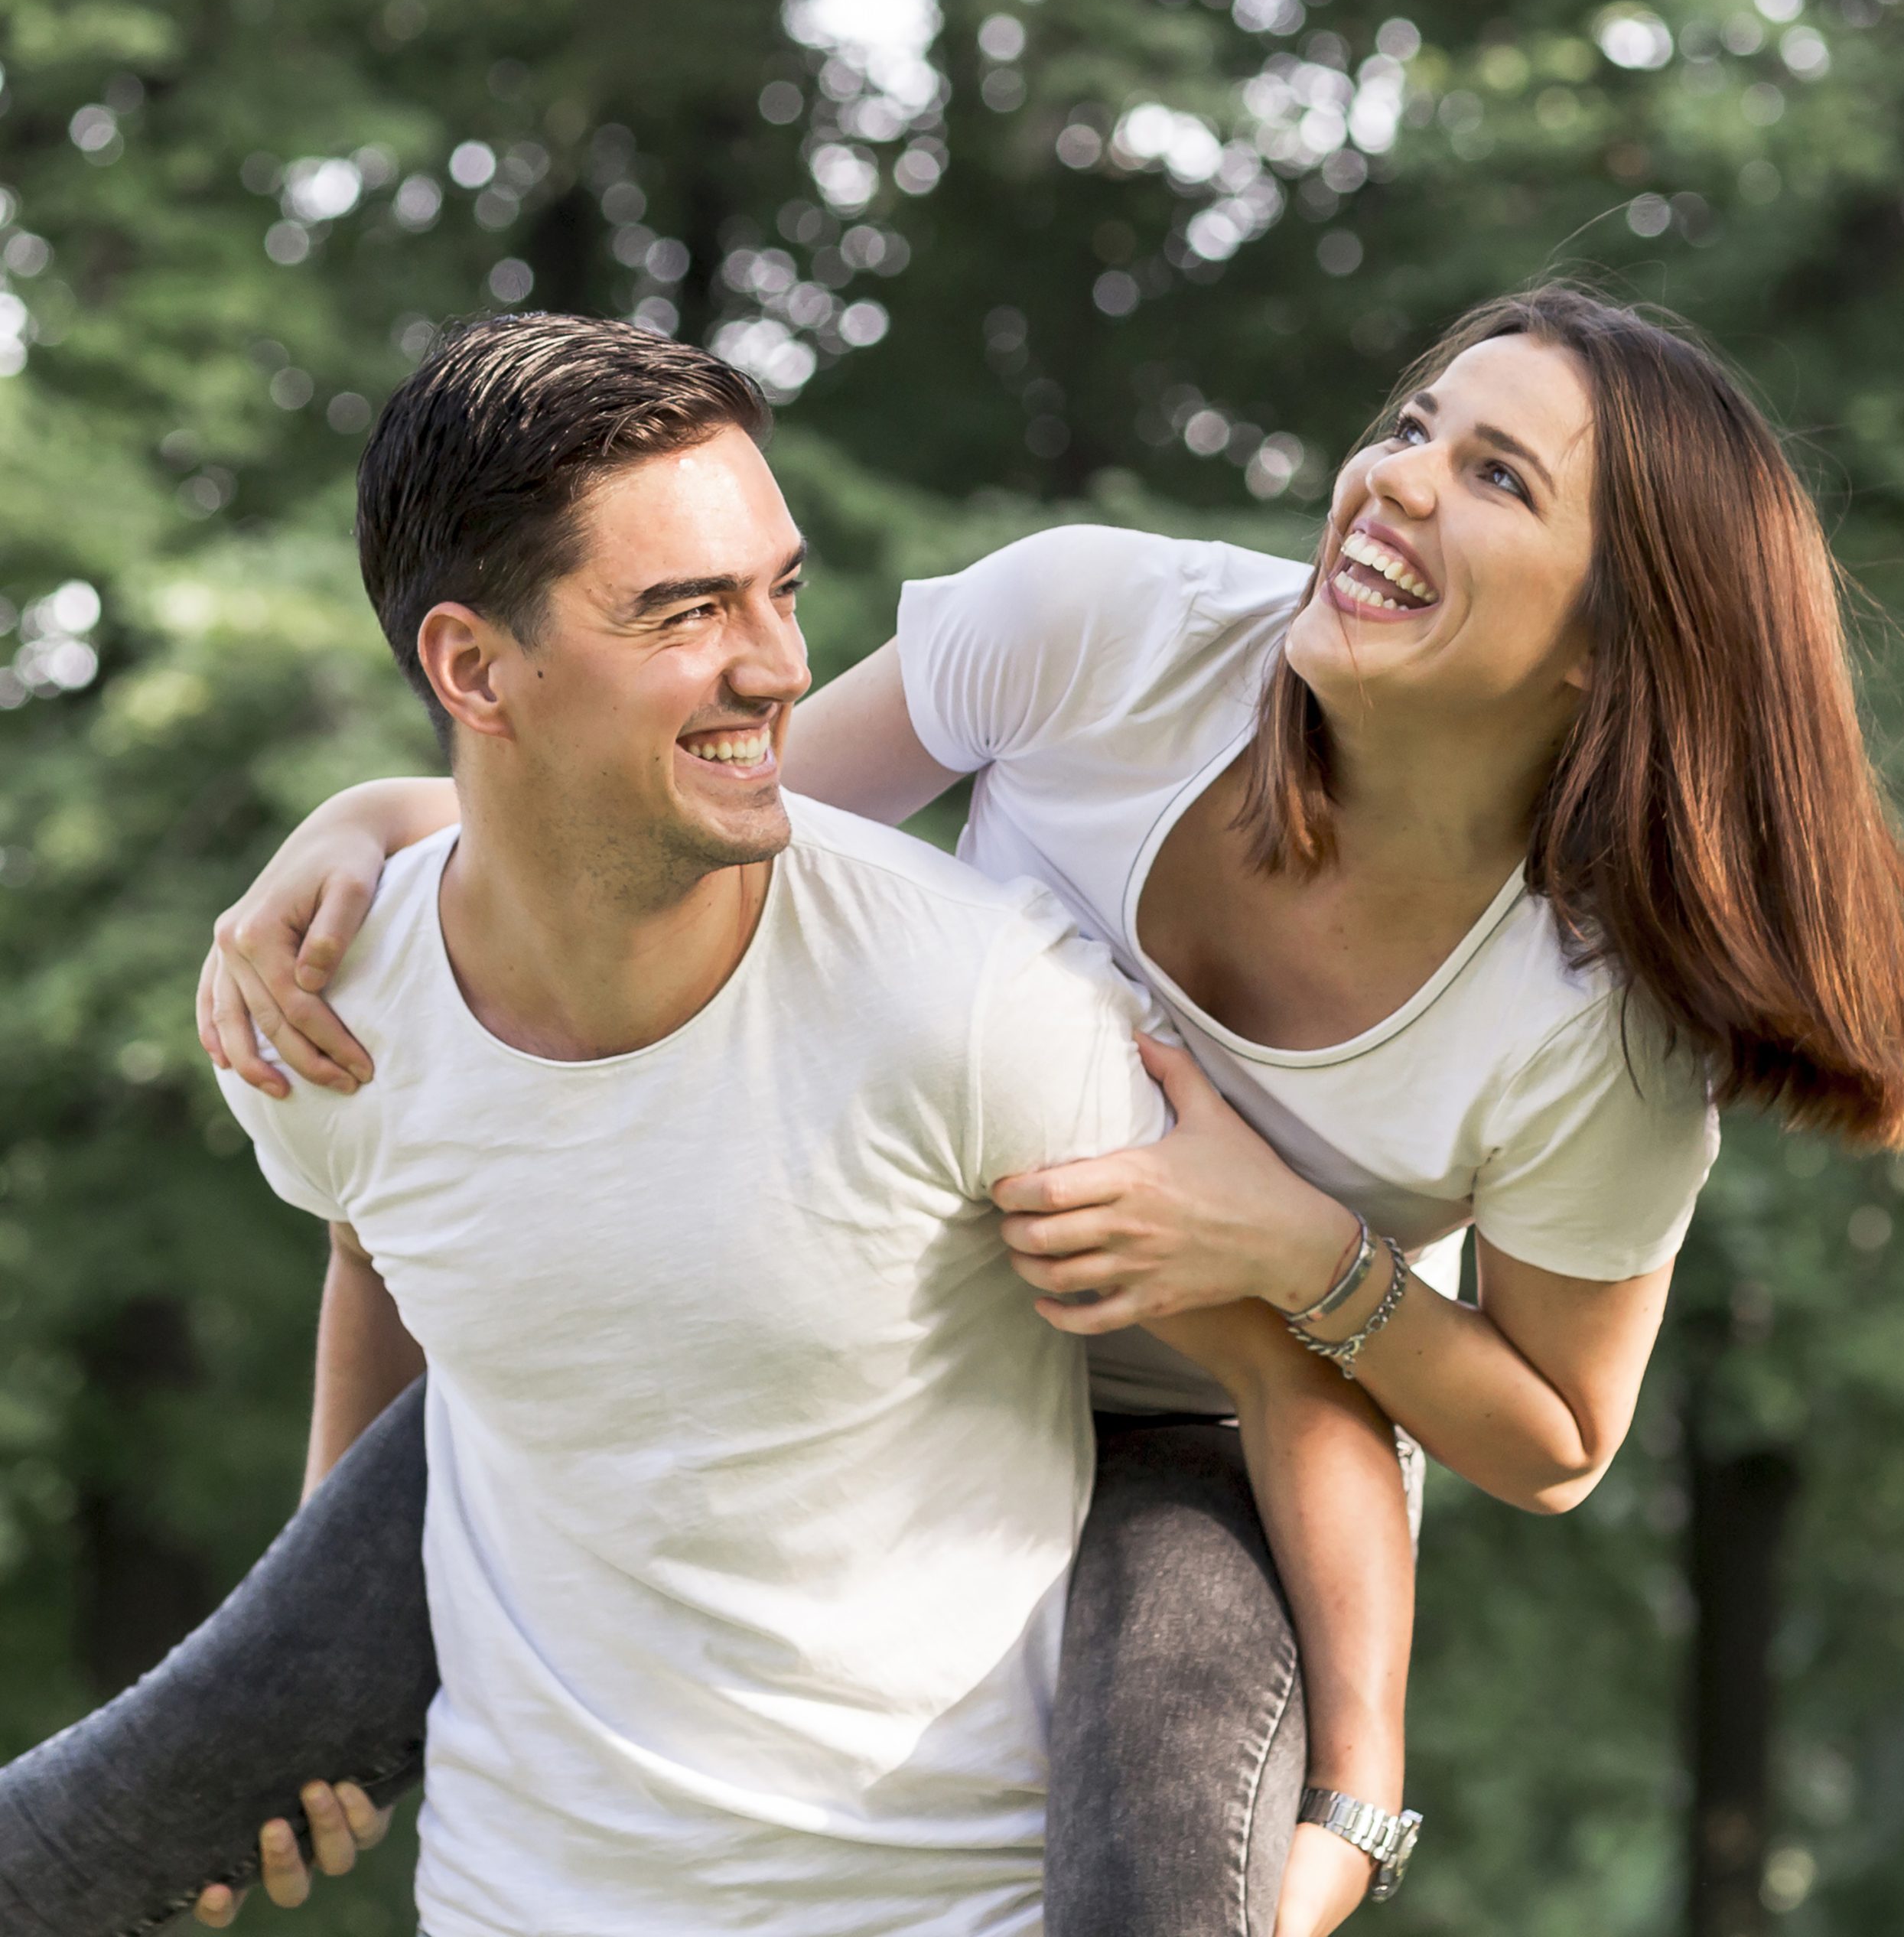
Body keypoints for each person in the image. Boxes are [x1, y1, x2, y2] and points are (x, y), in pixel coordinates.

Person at [0, 316, 1390, 1937]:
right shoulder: (322, 1013)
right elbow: (387, 1248)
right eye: (686, 612)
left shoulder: (970, 1003)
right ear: (470, 668)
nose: (778, 663)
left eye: (779, 589)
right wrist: (310, 1679)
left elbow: (1288, 1382)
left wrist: (1352, 1814)